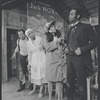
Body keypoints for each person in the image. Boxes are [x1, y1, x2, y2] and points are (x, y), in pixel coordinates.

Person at [65, 8, 97, 100]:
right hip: (70, 58)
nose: (69, 15)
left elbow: (95, 42)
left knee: (81, 84)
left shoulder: (86, 27)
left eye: (71, 14)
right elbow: (68, 42)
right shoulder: (69, 28)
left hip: (81, 59)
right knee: (69, 82)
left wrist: (82, 50)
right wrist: (66, 48)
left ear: (78, 16)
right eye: (69, 14)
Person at [43, 21, 66, 100]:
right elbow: (47, 47)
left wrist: (63, 45)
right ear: (48, 29)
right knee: (50, 80)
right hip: (50, 61)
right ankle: (50, 97)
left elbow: (63, 47)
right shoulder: (45, 37)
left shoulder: (59, 36)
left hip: (59, 60)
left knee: (59, 80)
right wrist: (56, 42)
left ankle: (59, 98)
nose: (54, 27)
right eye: (52, 27)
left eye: (54, 26)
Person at [25, 29, 47, 98]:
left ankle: (41, 91)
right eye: (29, 33)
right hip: (34, 59)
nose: (31, 34)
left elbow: (46, 47)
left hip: (41, 58)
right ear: (28, 36)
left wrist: (43, 47)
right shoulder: (28, 43)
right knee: (34, 74)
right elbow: (29, 53)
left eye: (32, 32)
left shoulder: (40, 39)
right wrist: (29, 63)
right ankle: (34, 89)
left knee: (41, 74)